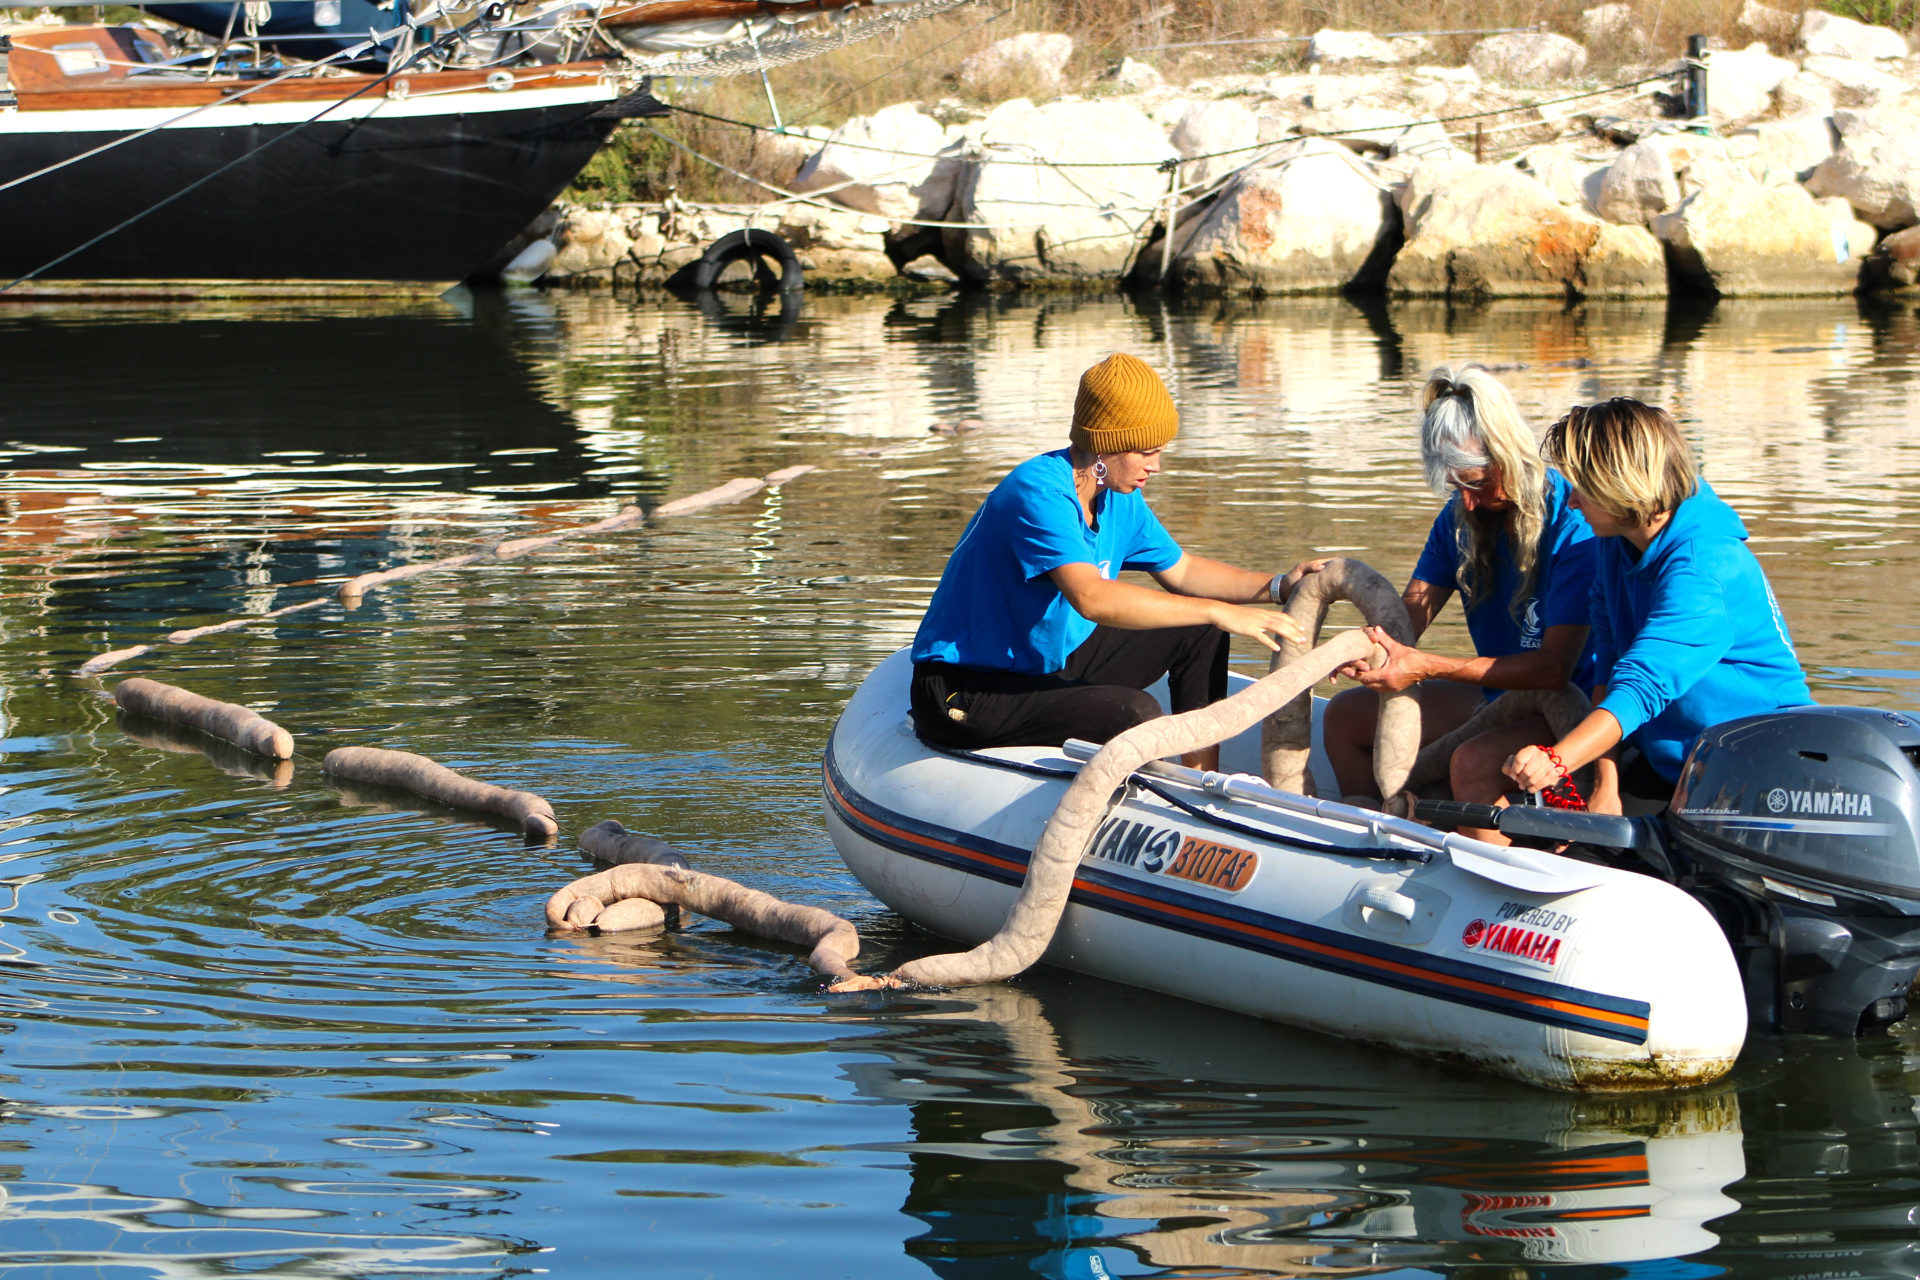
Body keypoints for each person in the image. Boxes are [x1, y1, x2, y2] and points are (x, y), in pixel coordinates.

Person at [909, 352, 1309, 771]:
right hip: (967, 691)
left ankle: (1203, 781)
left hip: (1045, 663)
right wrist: (1220, 610)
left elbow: (1184, 571)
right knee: (1136, 713)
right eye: (1146, 452)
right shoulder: (1037, 492)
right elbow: (1091, 598)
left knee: (1202, 629)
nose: (1155, 466)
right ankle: (1169, 806)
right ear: (1105, 444)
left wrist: (1280, 585)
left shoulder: (1120, 498)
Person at [1504, 397, 1811, 812]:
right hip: (1672, 763)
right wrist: (1604, 784)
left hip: (1758, 767)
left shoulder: (1705, 568)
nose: (1572, 503)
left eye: (1581, 489)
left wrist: (1556, 762)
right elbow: (1612, 664)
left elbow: (1642, 688)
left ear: (1621, 484)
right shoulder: (1616, 542)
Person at [1321, 363, 1598, 808]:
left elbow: (1553, 671)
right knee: (1342, 718)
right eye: (1456, 486)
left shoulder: (1575, 523)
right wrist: (1370, 649)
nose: (1467, 501)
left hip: (1568, 707)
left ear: (1509, 453)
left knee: (1470, 760)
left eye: (1478, 483)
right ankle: (1370, 837)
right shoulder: (1459, 517)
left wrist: (1425, 665)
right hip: (1493, 697)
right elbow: (1411, 612)